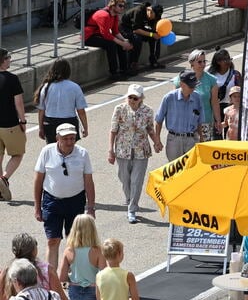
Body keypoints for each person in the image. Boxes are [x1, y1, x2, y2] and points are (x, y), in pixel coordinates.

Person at [34, 124, 95, 266]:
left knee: (73, 240)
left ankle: (69, 273)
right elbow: (38, 180)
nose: (69, 142)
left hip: (75, 201)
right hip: (51, 201)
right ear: (57, 138)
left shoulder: (82, 154)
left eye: (72, 138)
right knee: (52, 240)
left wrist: (91, 207)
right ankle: (53, 277)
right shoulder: (47, 152)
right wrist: (37, 207)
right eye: (66, 139)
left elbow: (89, 181)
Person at [108, 84, 160, 224]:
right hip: (122, 149)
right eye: (130, 97)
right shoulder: (119, 109)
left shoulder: (147, 111)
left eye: (135, 98)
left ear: (141, 98)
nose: (132, 100)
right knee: (124, 178)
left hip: (141, 150)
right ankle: (129, 197)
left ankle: (132, 209)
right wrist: (110, 150)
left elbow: (150, 129)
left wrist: (156, 142)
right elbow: (113, 130)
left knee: (136, 180)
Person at [35, 58, 89, 145]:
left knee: (53, 150)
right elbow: (81, 111)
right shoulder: (74, 87)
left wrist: (41, 127)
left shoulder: (46, 87)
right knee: (70, 150)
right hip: (69, 122)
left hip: (50, 123)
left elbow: (41, 110)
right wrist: (85, 127)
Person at [154, 70, 204, 161]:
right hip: (174, 140)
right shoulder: (169, 98)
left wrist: (201, 138)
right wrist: (157, 139)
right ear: (182, 84)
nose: (193, 88)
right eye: (191, 86)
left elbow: (199, 121)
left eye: (194, 86)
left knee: (191, 170)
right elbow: (159, 120)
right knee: (175, 171)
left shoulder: (197, 97)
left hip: (192, 139)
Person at [83, 0, 133, 79]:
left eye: (123, 6)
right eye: (120, 6)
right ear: (113, 5)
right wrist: (122, 43)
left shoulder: (115, 15)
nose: (122, 8)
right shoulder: (104, 15)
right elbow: (106, 34)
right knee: (111, 44)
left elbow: (115, 32)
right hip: (88, 37)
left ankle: (124, 69)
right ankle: (113, 73)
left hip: (98, 35)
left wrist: (124, 40)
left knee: (120, 43)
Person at [0, 48, 27, 201]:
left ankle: (0, 190)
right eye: (8, 57)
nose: (10, 60)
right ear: (3, 60)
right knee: (17, 153)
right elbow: (19, 103)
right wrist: (22, 121)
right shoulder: (12, 79)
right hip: (9, 124)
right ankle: (4, 178)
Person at [178, 49, 221, 142]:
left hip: (205, 121)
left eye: (204, 61)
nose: (203, 64)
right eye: (199, 62)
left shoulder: (211, 80)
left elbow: (214, 103)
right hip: (187, 121)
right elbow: (177, 100)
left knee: (204, 150)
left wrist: (218, 120)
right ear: (191, 63)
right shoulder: (182, 79)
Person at [118, 1, 164, 72]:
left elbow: (155, 28)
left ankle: (154, 60)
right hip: (125, 28)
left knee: (155, 36)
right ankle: (133, 63)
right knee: (137, 39)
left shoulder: (155, 14)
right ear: (149, 10)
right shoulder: (138, 11)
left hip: (139, 28)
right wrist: (152, 34)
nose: (154, 18)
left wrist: (159, 33)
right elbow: (136, 30)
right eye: (154, 16)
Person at [208, 48, 241, 137]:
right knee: (216, 132)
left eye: (229, 59)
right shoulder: (211, 75)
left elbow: (240, 90)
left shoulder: (235, 74)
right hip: (216, 107)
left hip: (231, 107)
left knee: (230, 132)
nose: (228, 62)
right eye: (225, 60)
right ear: (218, 62)